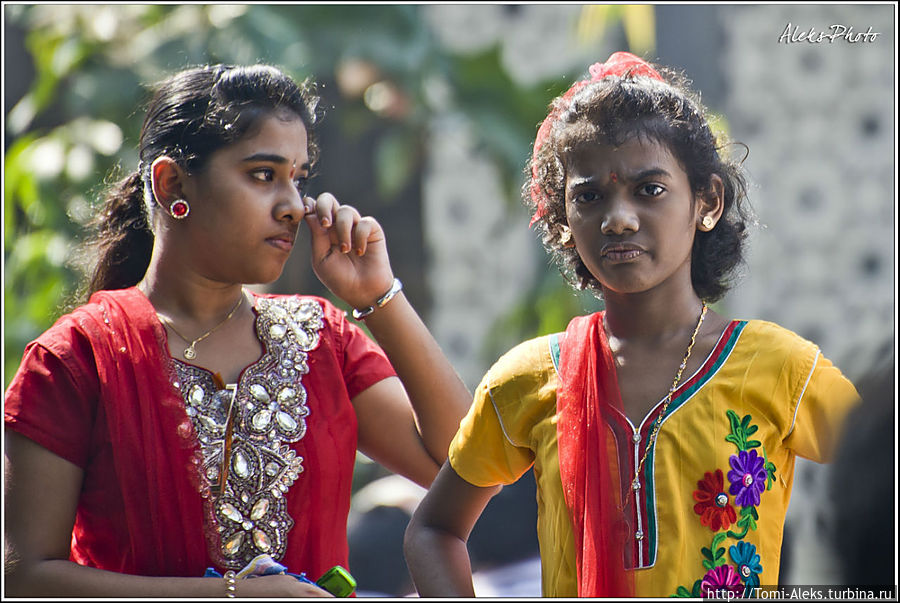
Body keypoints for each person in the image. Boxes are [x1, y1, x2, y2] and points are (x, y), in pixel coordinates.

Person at [3, 63, 472, 597]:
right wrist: (232, 595)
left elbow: (466, 468)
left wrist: (379, 299)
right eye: (264, 175)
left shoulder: (322, 340)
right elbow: (23, 579)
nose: (294, 206)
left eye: (298, 177)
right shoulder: (77, 358)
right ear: (172, 183)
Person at [403, 51, 861, 598]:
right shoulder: (528, 379)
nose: (618, 217)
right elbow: (434, 530)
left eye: (649, 189)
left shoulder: (780, 367)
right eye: (590, 196)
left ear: (707, 201)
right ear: (563, 218)